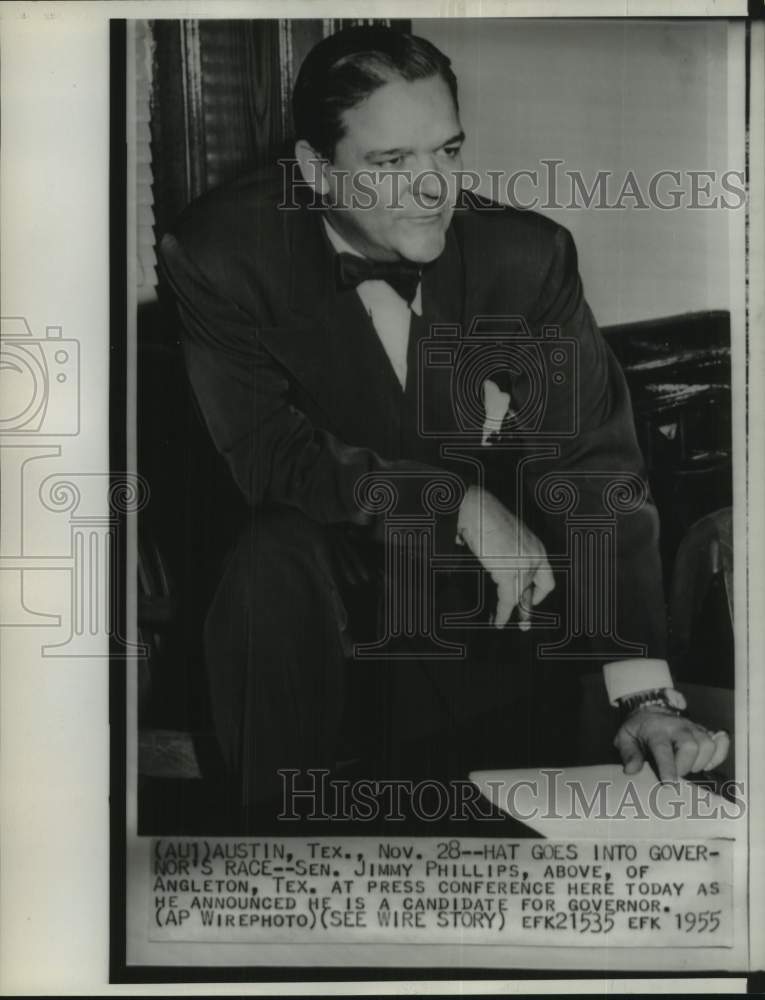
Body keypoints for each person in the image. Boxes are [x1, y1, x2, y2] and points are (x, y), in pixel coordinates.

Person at [158, 25, 729, 815]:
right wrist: (451, 500)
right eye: (391, 164)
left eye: (447, 153)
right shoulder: (222, 254)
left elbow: (594, 470)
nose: (433, 192)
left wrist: (642, 695)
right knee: (268, 557)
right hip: (327, 555)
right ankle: (276, 861)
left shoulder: (526, 259)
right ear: (315, 171)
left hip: (497, 590)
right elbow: (269, 455)